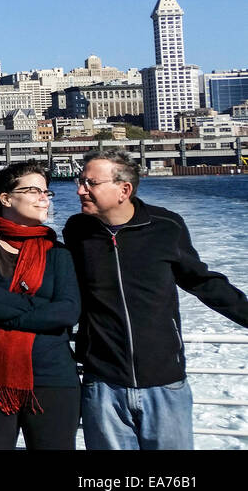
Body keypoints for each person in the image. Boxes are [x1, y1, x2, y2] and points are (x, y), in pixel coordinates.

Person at [63, 149, 248, 450]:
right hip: (103, 384)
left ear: (124, 189)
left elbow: (202, 281)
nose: (80, 189)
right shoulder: (76, 231)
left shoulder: (166, 226)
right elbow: (66, 291)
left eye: (90, 183)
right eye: (80, 181)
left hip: (165, 382)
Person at [0, 160, 81, 449]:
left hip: (53, 378)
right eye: (34, 190)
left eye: (47, 192)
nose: (43, 198)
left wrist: (2, 309)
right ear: (6, 198)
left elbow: (68, 311)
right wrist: (38, 308)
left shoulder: (58, 253)